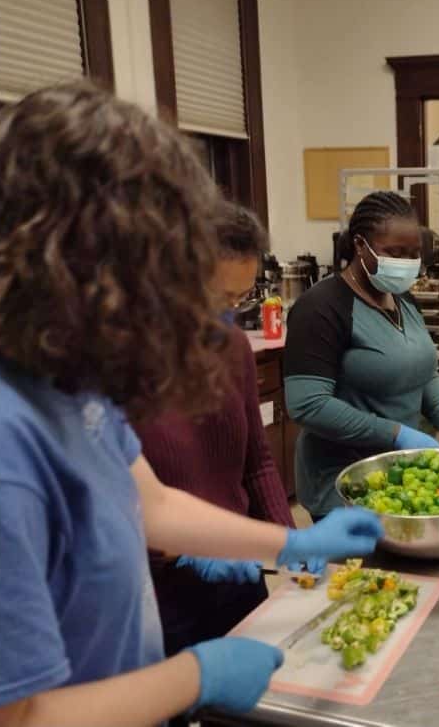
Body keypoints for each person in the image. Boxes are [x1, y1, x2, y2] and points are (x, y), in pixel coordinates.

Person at [0, 82, 382, 727]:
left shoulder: (66, 379)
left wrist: (285, 540)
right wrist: (193, 676)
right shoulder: (0, 443)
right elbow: (14, 719)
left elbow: (153, 505)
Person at [135, 202, 300, 662]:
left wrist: (290, 542)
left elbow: (258, 463)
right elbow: (111, 504)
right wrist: (182, 551)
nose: (226, 311)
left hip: (238, 574)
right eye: (215, 296)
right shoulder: (118, 365)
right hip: (160, 590)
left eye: (238, 298)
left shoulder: (232, 349)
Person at [284, 191, 439, 521]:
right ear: (359, 245)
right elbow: (308, 404)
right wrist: (396, 433)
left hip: (403, 475)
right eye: (394, 252)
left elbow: (424, 372)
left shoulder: (402, 298)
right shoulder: (321, 308)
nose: (407, 263)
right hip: (346, 485)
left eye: (413, 255)